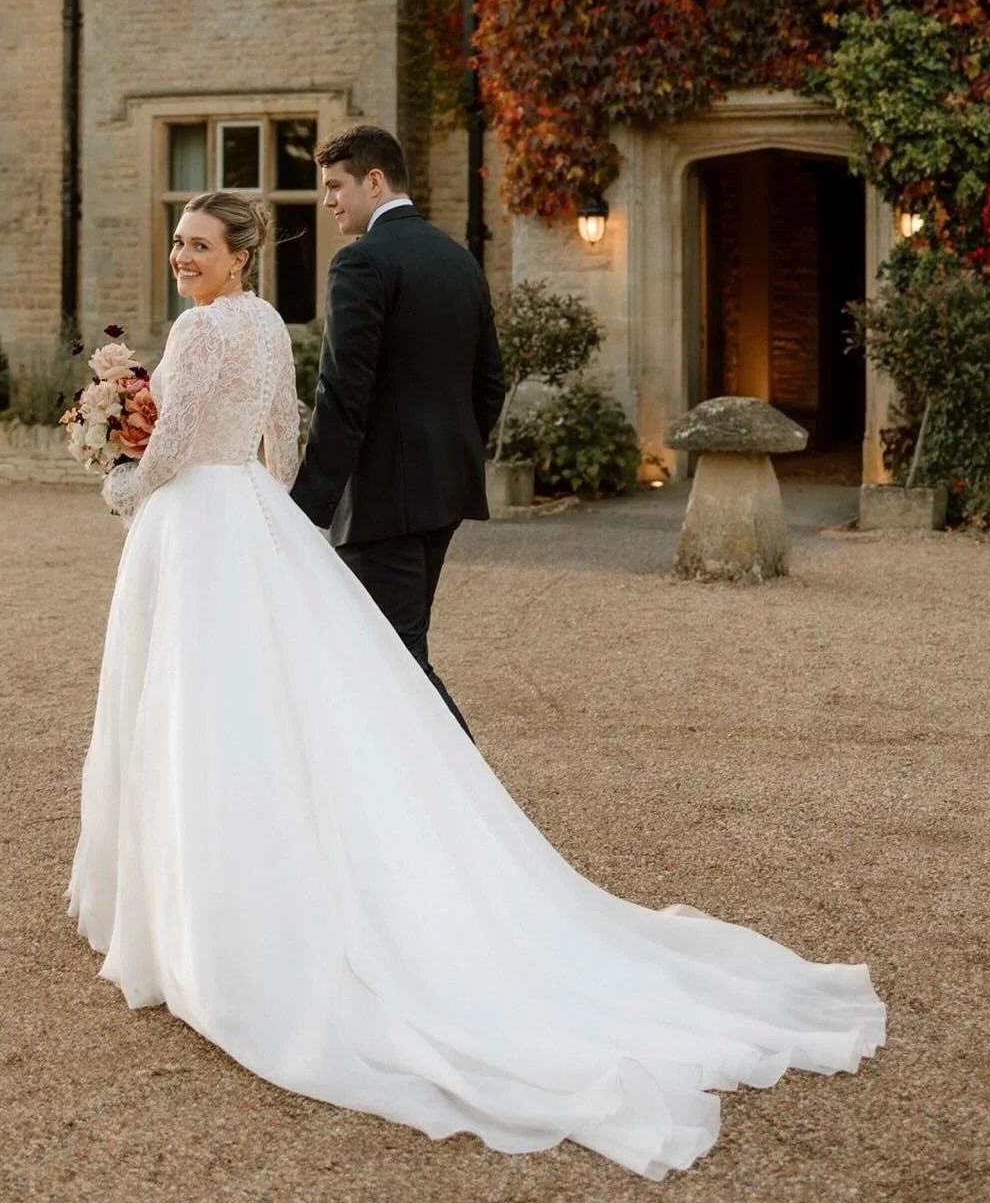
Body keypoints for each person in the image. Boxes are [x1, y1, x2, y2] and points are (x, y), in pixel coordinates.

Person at [70, 188, 885, 1182]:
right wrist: (264, 514)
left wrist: (122, 477)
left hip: (194, 524)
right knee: (262, 708)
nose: (181, 257)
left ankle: (203, 914)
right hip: (246, 517)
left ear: (241, 255)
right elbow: (279, 441)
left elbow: (175, 444)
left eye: (199, 244)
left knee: (199, 712)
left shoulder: (201, 330)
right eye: (177, 243)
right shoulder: (272, 329)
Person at [290, 126, 504, 736]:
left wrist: (307, 507)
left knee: (394, 659)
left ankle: (473, 806)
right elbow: (489, 384)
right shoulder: (457, 258)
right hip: (444, 493)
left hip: (383, 500)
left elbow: (342, 394)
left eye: (336, 185)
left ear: (374, 180)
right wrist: (449, 455)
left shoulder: (361, 261)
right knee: (393, 649)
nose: (328, 200)